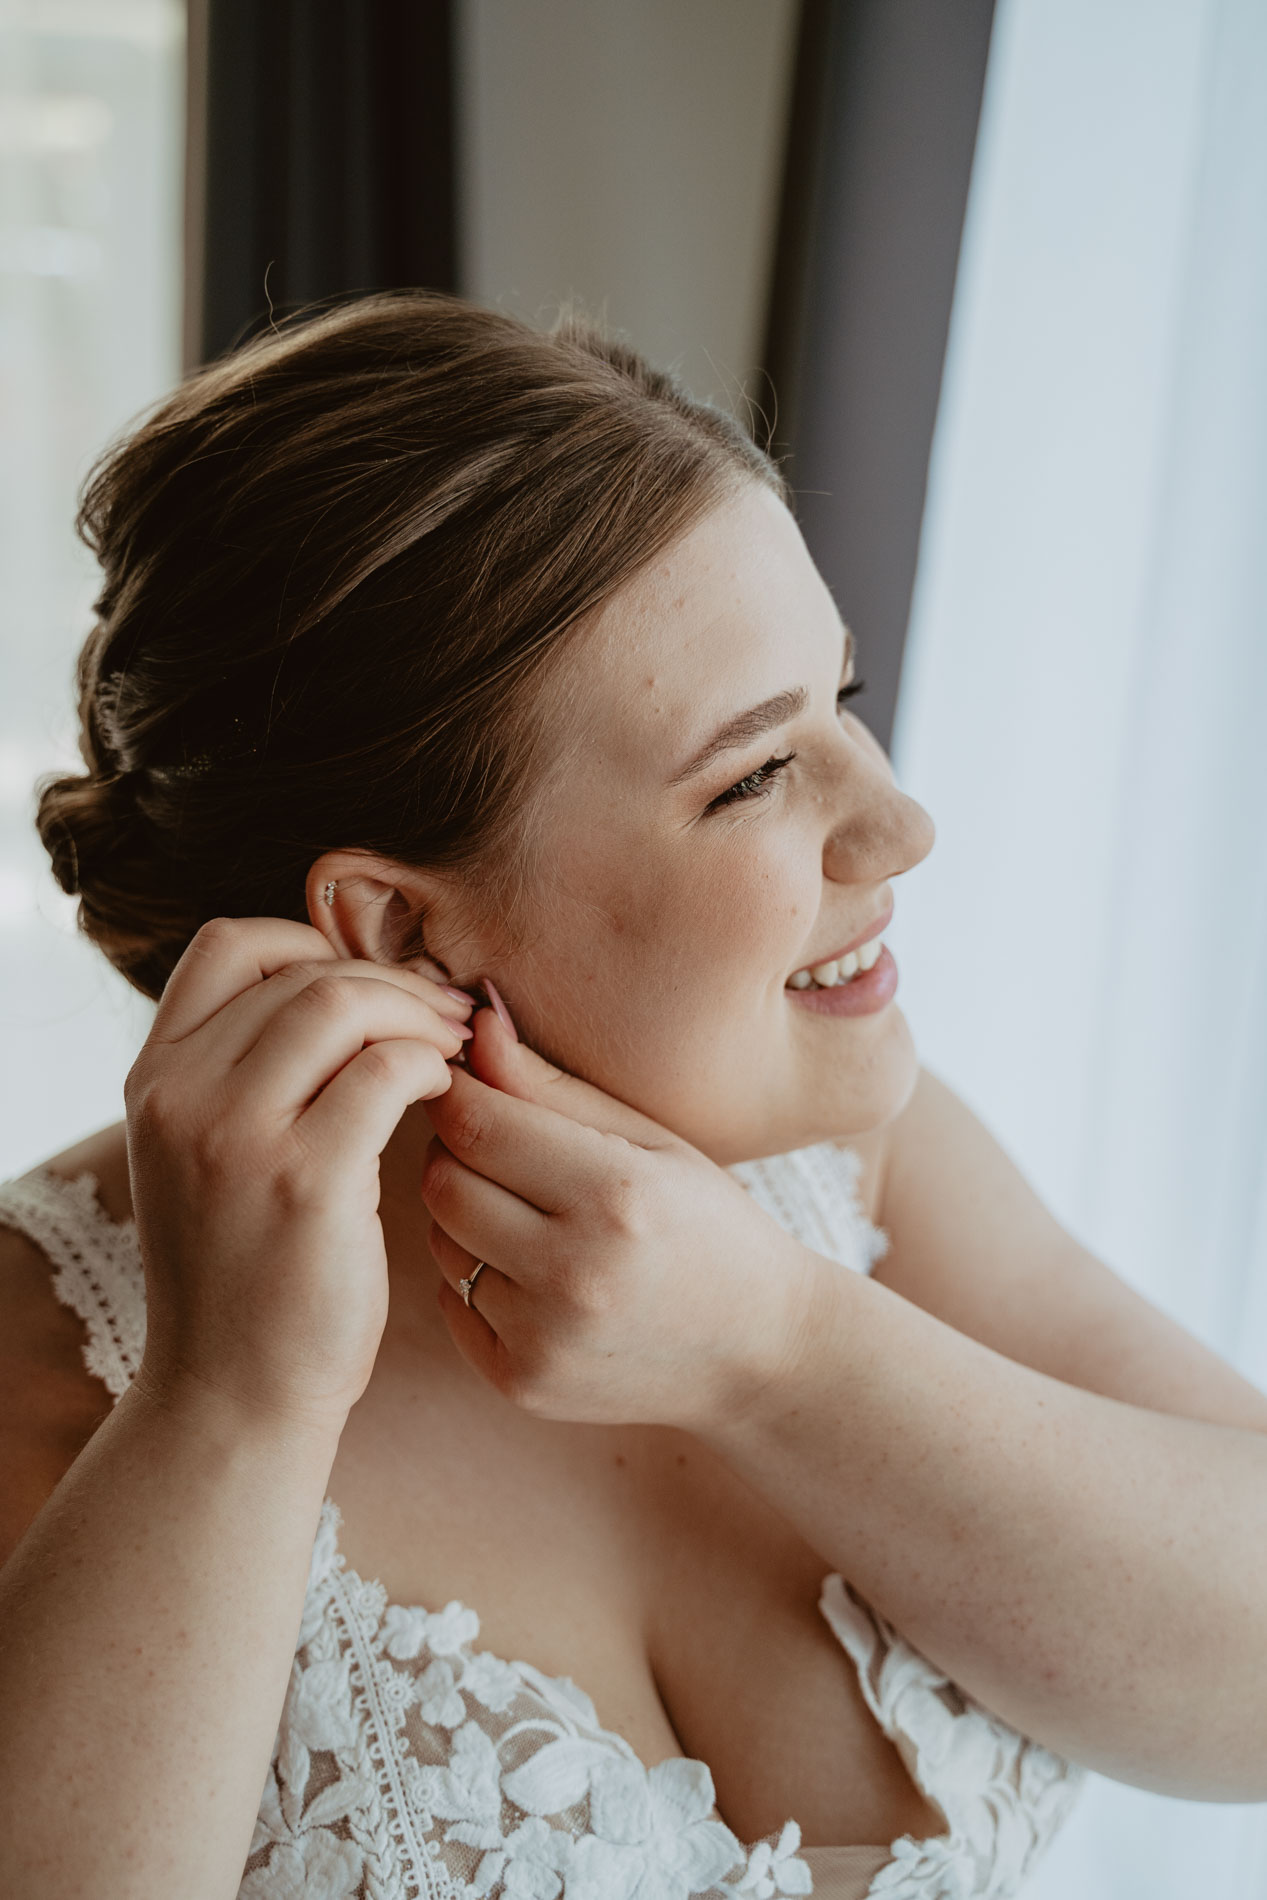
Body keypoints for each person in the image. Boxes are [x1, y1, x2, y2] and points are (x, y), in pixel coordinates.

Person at [0, 291, 1264, 1900]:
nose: (899, 829)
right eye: (754, 775)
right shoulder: (48, 1349)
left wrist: (783, 1350)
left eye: (845, 708)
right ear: (395, 928)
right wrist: (229, 1410)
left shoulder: (842, 1153)